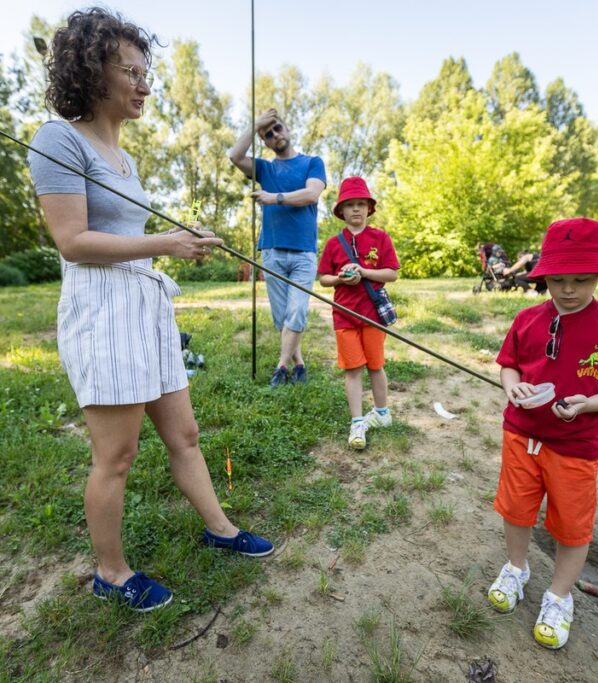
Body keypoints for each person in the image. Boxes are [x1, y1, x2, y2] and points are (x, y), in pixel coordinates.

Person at [27, 8, 272, 612]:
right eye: (130, 72)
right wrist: (166, 244)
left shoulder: (125, 158)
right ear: (93, 72)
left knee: (184, 434)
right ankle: (111, 573)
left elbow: (126, 233)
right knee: (117, 456)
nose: (144, 85)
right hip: (102, 311)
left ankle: (220, 529)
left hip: (144, 304)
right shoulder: (58, 139)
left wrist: (175, 239)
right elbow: (73, 242)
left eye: (146, 73)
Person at [487, 217, 598, 649]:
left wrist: (587, 404)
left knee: (572, 525)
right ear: (545, 277)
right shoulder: (527, 319)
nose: (569, 289)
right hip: (521, 434)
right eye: (558, 280)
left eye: (581, 279)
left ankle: (559, 596)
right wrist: (512, 387)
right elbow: (509, 366)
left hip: (576, 447)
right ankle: (516, 568)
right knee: (516, 509)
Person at [228, 108, 326, 387]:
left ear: (287, 128)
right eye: (267, 134)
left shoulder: (312, 162)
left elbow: (311, 194)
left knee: (297, 312)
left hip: (304, 252)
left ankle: (281, 367)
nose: (275, 135)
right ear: (265, 142)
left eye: (277, 128)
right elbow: (234, 156)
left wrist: (274, 198)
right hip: (272, 251)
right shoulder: (265, 169)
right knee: (282, 317)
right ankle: (299, 364)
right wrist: (255, 124)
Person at [317, 177, 400, 450]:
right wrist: (340, 278)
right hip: (344, 314)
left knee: (375, 365)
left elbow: (392, 273)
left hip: (372, 314)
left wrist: (364, 272)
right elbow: (324, 279)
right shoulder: (334, 243)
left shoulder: (380, 238)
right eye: (350, 204)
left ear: (369, 208)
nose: (355, 209)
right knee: (352, 368)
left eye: (361, 204)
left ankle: (382, 413)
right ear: (341, 210)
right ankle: (357, 420)